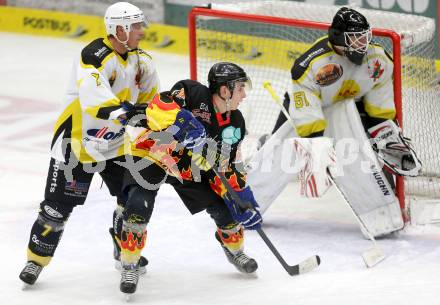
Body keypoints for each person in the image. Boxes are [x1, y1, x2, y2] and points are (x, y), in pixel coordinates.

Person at [19, 1, 159, 286]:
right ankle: (36, 260)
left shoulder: (142, 61)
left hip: (116, 145)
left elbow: (151, 101)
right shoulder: (93, 56)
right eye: (135, 26)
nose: (141, 31)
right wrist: (126, 113)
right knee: (55, 210)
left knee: (130, 203)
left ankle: (124, 253)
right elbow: (93, 95)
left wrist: (156, 118)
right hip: (77, 143)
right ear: (118, 29)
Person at [247, 7, 420, 236]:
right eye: (355, 38)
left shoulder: (378, 60)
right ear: (338, 36)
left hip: (349, 105)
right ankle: (251, 187)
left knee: (360, 154)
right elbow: (307, 114)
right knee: (284, 150)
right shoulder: (310, 66)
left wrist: (385, 133)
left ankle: (381, 210)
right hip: (311, 106)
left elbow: (379, 106)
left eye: (364, 36)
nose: (362, 43)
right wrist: (317, 149)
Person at [117, 62, 262, 294]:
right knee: (138, 206)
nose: (244, 95)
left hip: (188, 167)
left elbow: (227, 165)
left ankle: (236, 251)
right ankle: (129, 263)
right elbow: (158, 106)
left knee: (225, 209)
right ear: (225, 90)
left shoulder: (235, 122)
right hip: (154, 153)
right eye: (241, 89)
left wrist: (243, 199)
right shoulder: (192, 91)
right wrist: (182, 122)